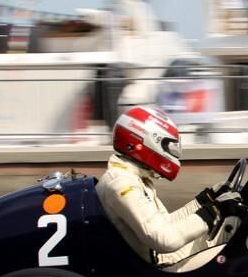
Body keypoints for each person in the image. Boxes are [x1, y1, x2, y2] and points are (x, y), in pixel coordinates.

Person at [97, 106, 240, 266]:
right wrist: (213, 211)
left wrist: (206, 200)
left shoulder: (131, 177)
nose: (172, 153)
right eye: (167, 146)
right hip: (161, 269)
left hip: (161, 258)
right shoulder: (122, 184)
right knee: (240, 254)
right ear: (144, 141)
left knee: (232, 224)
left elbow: (165, 224)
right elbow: (165, 240)